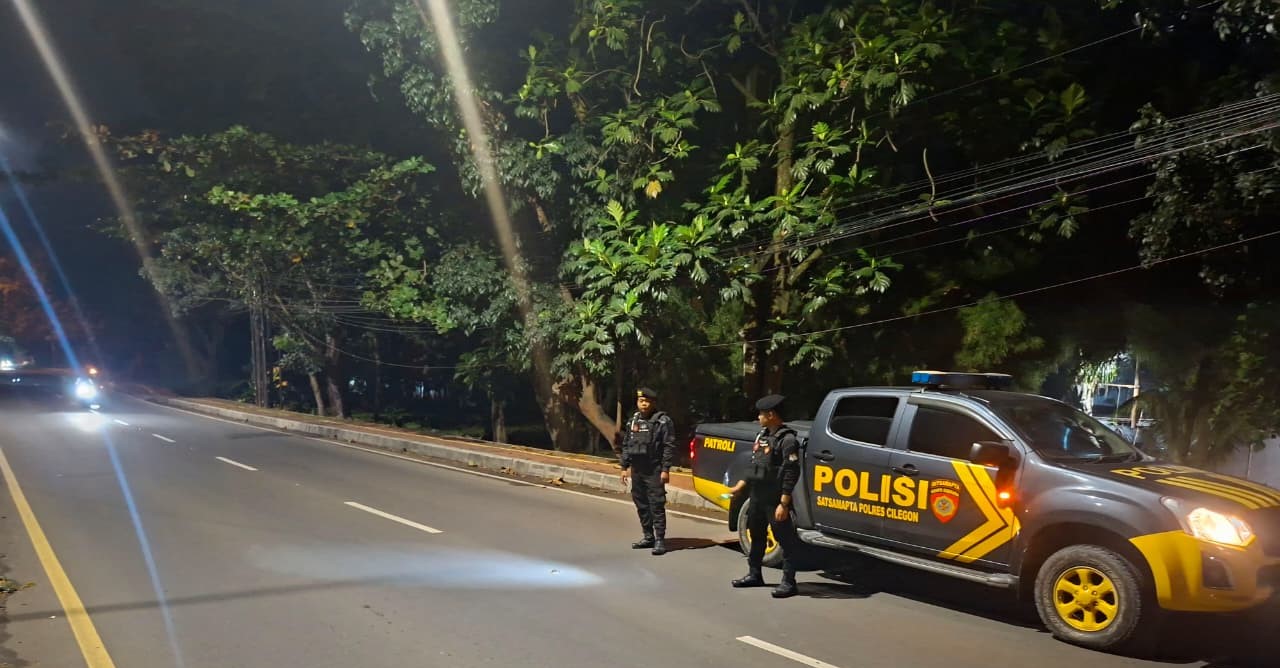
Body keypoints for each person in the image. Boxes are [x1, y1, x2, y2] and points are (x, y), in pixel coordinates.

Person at [726, 393, 806, 598]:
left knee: (785, 539)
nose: (758, 417)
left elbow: (791, 472)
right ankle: (754, 574)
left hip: (775, 497)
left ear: (771, 415)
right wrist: (740, 485)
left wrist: (784, 503)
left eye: (761, 414)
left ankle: (789, 582)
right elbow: (755, 464)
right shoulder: (761, 436)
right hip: (757, 495)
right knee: (756, 535)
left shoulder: (788, 440)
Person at [619, 387, 675, 556]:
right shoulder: (633, 421)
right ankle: (648, 536)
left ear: (653, 403)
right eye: (641, 401)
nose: (643, 404)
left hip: (654, 469)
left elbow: (669, 446)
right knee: (641, 503)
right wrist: (624, 467)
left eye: (647, 401)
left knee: (656, 504)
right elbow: (627, 444)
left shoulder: (662, 422)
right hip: (637, 470)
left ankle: (660, 540)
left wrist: (665, 469)